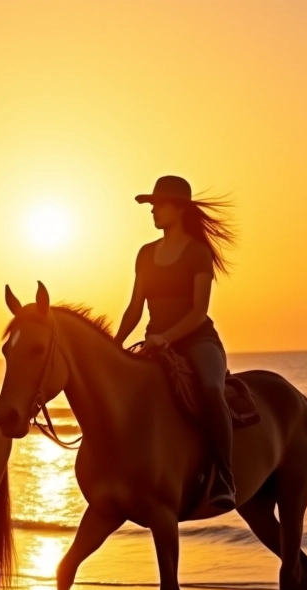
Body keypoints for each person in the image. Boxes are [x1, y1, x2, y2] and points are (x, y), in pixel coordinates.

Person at [113, 176, 236, 510]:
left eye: (159, 204)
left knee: (211, 388)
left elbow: (198, 312)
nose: (153, 211)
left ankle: (225, 476)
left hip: (197, 342)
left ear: (179, 209)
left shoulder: (198, 253)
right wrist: (115, 344)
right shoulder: (146, 254)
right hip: (155, 343)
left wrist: (165, 338)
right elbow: (135, 307)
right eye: (151, 205)